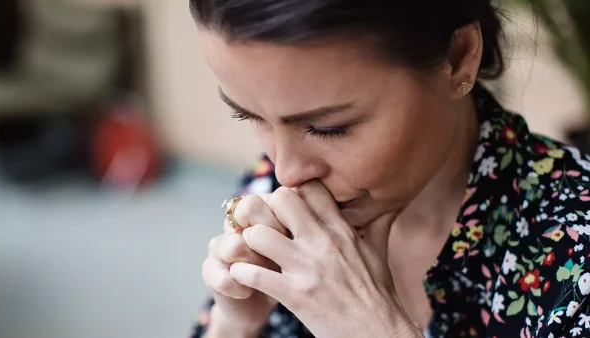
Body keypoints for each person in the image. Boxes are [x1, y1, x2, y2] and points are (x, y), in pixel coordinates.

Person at [188, 0, 590, 337]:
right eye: (248, 116)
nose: (285, 172)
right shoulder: (267, 185)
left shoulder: (576, 252)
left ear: (458, 58)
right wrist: (234, 325)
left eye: (330, 128)